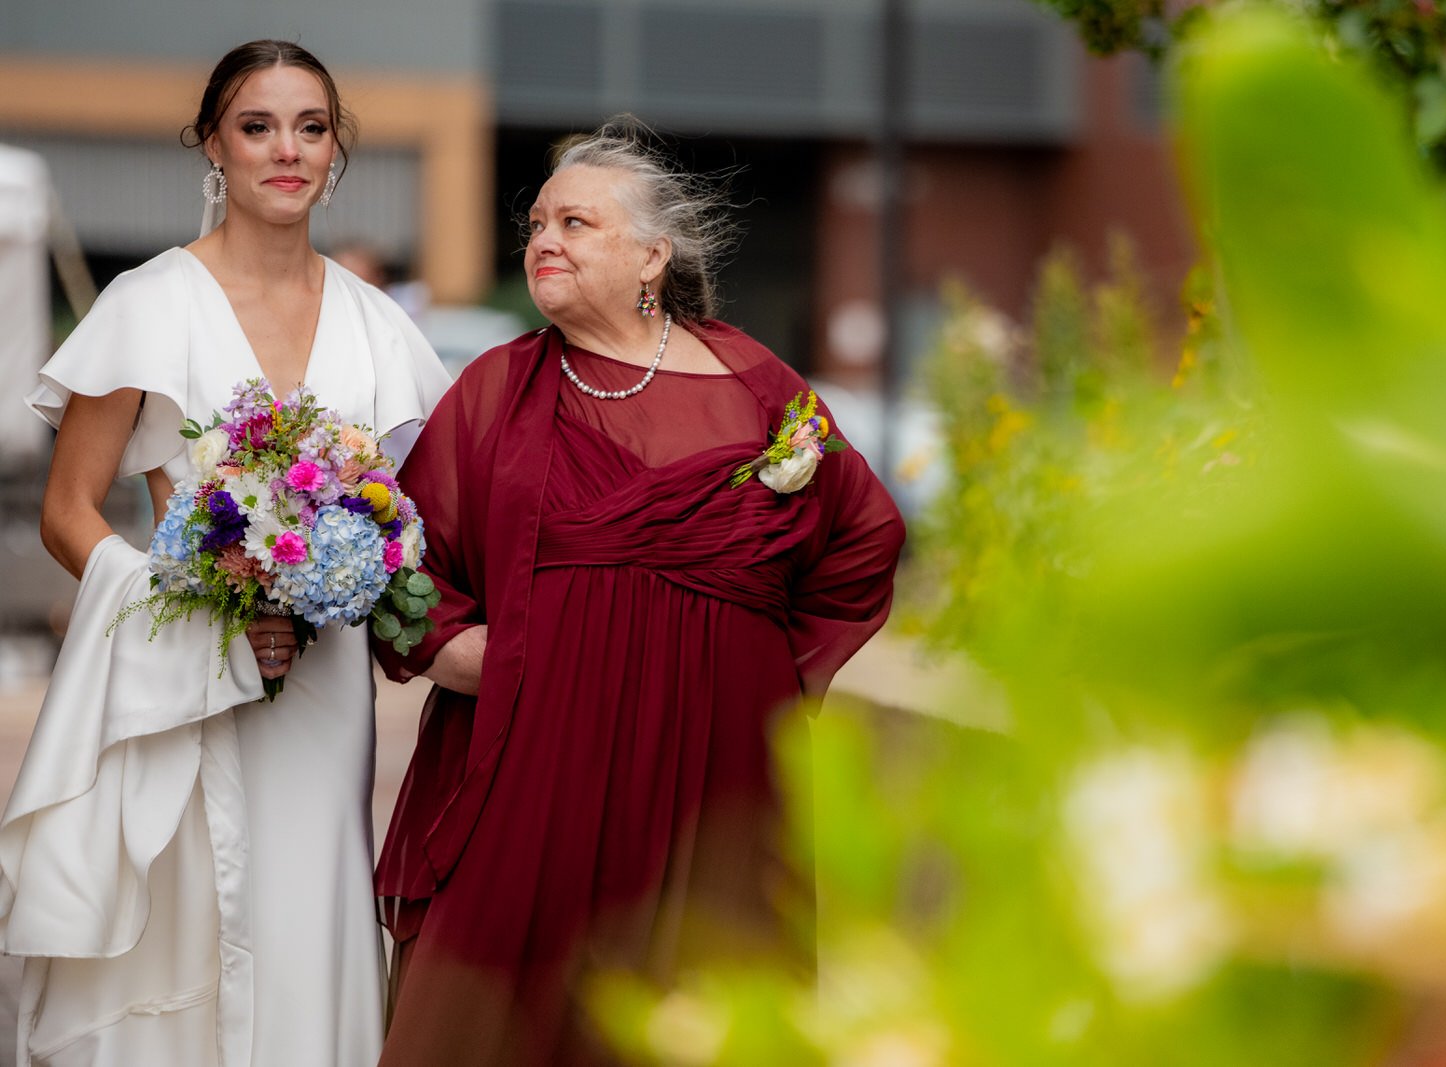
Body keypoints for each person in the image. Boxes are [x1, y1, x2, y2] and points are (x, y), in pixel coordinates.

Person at [374, 121, 905, 1064]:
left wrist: (771, 680)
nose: (543, 240)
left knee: (698, 994)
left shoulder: (758, 387)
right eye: (536, 222)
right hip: (538, 755)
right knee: (490, 998)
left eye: (575, 222)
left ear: (652, 254)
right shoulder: (498, 388)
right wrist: (452, 651)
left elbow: (863, 534)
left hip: (714, 771)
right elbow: (401, 556)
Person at [0, 40, 452, 1066]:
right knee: (190, 935)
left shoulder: (383, 330)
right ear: (213, 143)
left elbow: (412, 520)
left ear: (336, 151)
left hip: (325, 698)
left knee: (307, 921)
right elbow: (69, 511)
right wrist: (195, 605)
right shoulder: (147, 305)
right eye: (258, 126)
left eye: (311, 127)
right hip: (184, 685)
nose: (286, 151)